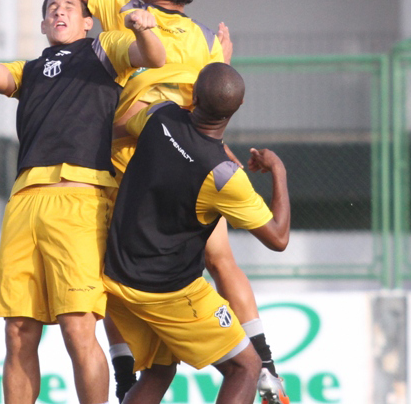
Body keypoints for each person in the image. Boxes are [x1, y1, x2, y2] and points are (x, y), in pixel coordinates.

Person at [1, 0, 288, 404]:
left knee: (112, 270)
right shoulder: (201, 38)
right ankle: (265, 367)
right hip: (192, 161)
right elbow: (213, 106)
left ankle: (124, 375)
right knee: (220, 258)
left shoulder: (122, 8)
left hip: (130, 156)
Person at [0, 0, 166, 404]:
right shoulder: (29, 69)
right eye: (51, 8)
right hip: (24, 201)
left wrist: (143, 28)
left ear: (86, 21)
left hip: (79, 201)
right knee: (18, 331)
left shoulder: (103, 50)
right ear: (43, 23)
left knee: (78, 325)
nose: (59, 11)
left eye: (69, 6)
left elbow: (153, 57)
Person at [103, 63, 291, 404]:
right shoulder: (224, 178)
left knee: (159, 371)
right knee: (247, 368)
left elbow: (121, 129)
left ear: (194, 95)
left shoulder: (159, 117)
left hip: (116, 275)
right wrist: (278, 168)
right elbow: (278, 238)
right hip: (167, 291)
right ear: (238, 109)